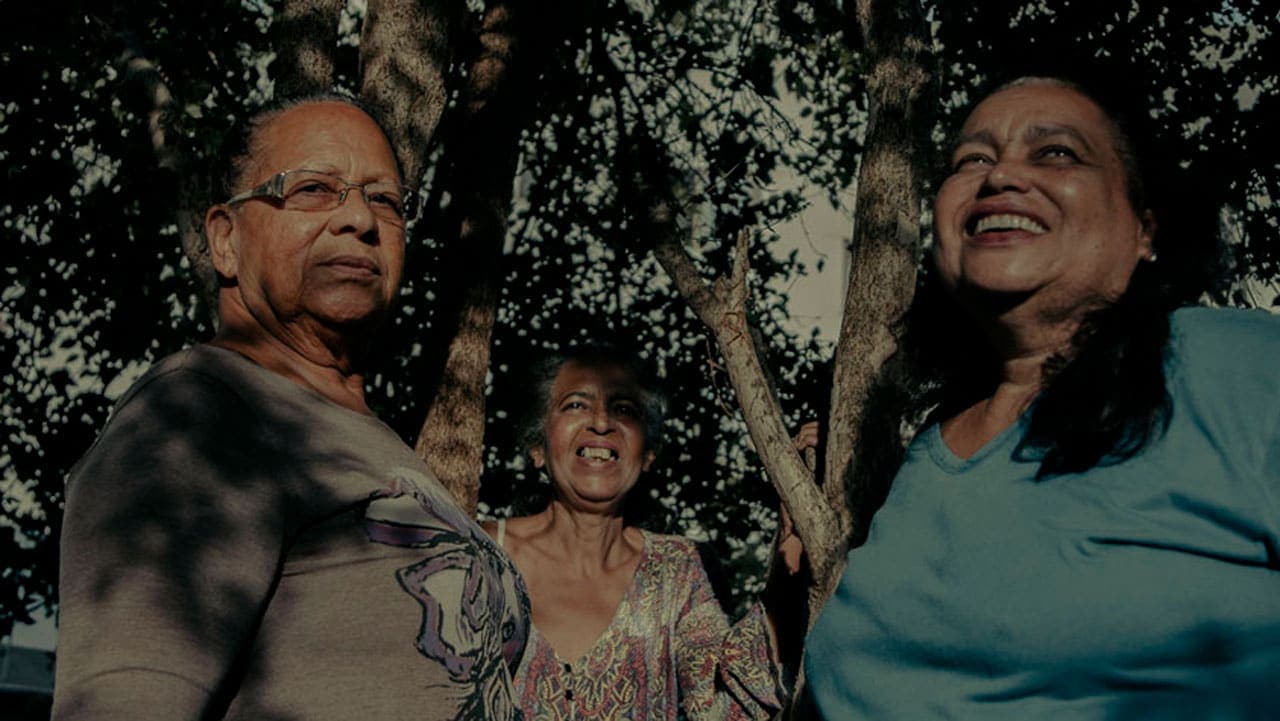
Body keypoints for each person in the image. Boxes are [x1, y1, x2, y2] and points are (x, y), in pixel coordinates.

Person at [804, 68, 1280, 719]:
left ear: (1146, 228)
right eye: (970, 160)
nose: (999, 177)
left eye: (1056, 152)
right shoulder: (923, 458)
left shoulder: (1241, 365)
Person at [53, 96, 529, 721]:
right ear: (225, 239)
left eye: (385, 200)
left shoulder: (363, 439)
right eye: (313, 189)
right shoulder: (201, 416)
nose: (359, 217)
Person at [485, 344, 796, 720]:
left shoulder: (681, 569)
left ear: (647, 455)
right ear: (537, 447)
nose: (601, 422)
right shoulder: (482, 553)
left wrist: (790, 547)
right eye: (576, 405)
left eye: (624, 410)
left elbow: (720, 708)